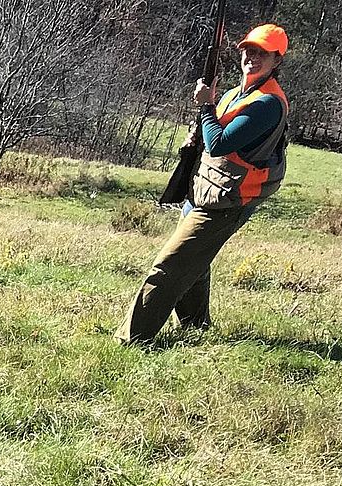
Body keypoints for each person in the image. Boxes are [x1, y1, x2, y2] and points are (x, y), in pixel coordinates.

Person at [117, 24, 290, 344]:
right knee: (194, 260)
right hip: (205, 188)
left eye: (262, 53)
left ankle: (132, 340)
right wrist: (209, 107)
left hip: (230, 199)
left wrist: (206, 105)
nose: (252, 57)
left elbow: (220, 144)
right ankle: (195, 326)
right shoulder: (233, 94)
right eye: (248, 50)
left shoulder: (267, 104)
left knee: (170, 264)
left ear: (277, 60)